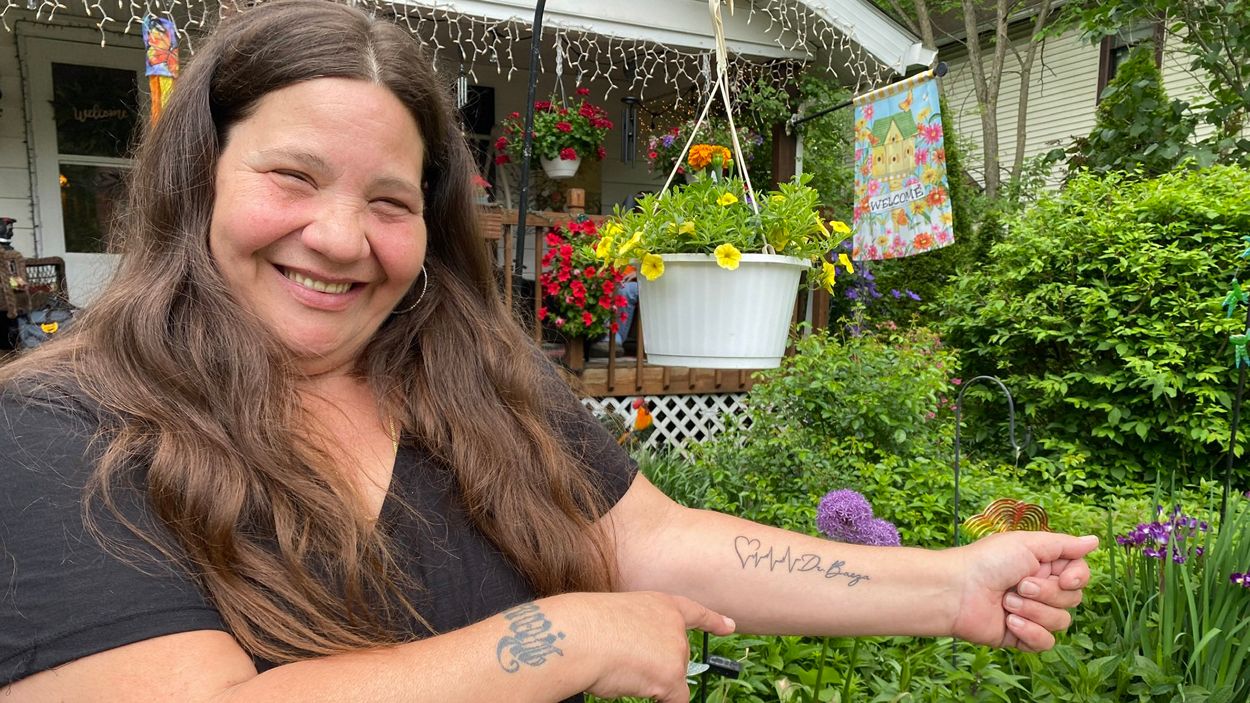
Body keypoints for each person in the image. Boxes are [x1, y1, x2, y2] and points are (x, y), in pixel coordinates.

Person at [0, 2, 1097, 702]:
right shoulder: (59, 433)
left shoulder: (470, 377)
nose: (338, 237)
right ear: (198, 178)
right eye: (292, 177)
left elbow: (651, 540)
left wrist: (949, 584)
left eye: (389, 200)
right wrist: (558, 638)